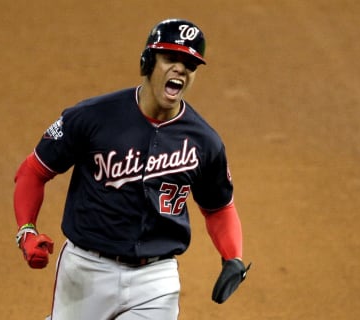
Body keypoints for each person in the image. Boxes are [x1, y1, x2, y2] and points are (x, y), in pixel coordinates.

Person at [13, 18, 250, 320]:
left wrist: (233, 257)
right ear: (148, 61)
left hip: (156, 280)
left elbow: (218, 207)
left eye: (189, 65)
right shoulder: (92, 117)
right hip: (87, 271)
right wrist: (26, 231)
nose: (180, 68)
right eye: (171, 58)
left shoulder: (205, 142)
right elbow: (33, 170)